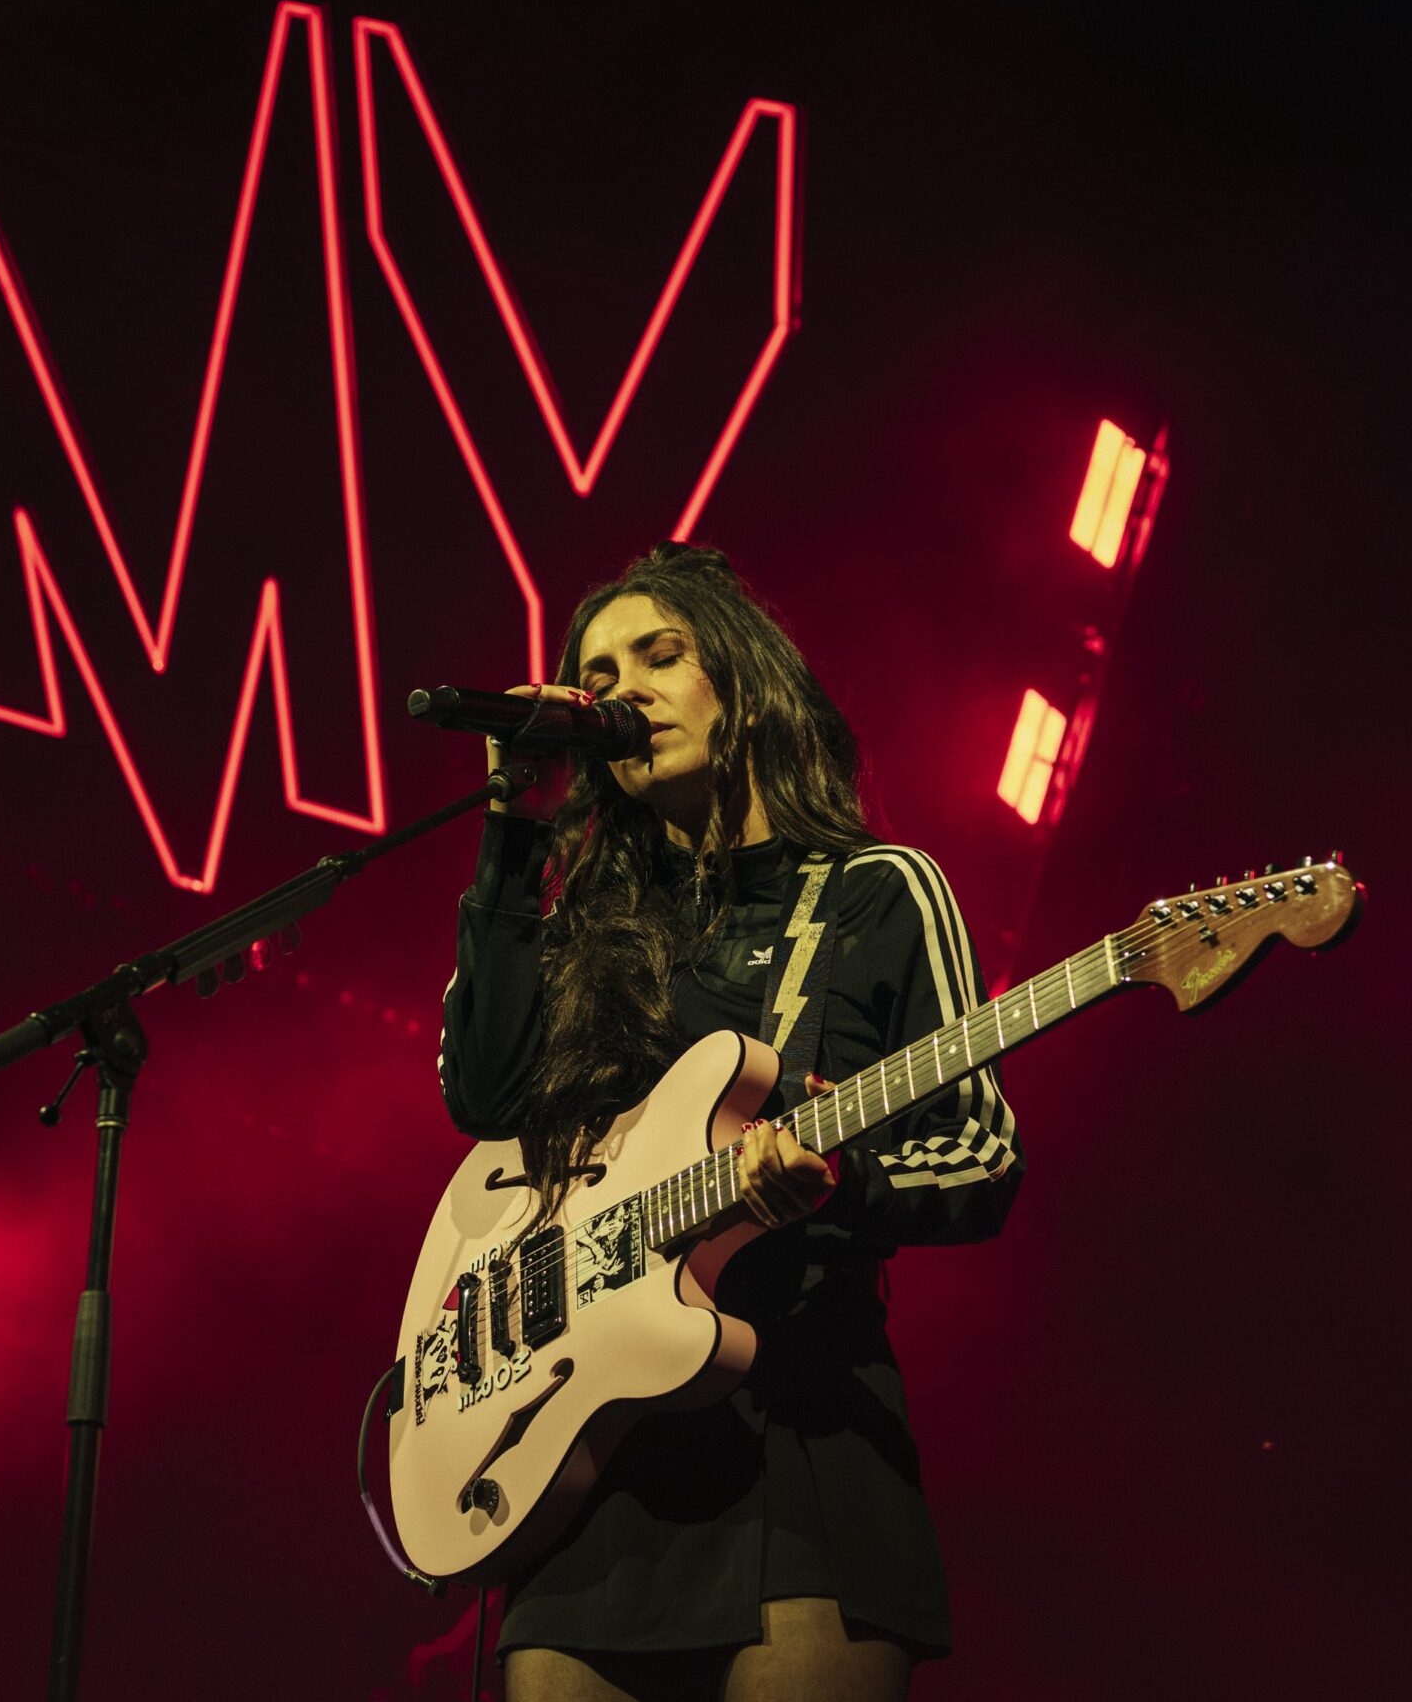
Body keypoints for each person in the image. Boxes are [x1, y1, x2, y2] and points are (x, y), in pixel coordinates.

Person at [437, 543, 1022, 1702]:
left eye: (660, 655)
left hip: (796, 1440)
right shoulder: (583, 925)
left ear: (745, 680)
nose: (624, 691)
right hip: (586, 1452)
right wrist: (512, 830)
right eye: (598, 677)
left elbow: (981, 1153)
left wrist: (839, 1182)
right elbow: (483, 1097)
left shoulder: (876, 889)